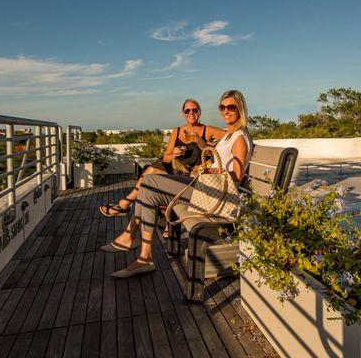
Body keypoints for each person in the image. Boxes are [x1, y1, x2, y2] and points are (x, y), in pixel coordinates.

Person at [104, 90, 254, 277]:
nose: (225, 111)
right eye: (222, 107)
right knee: (148, 187)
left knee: (150, 181)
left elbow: (237, 176)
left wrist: (211, 170)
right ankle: (144, 256)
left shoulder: (240, 137)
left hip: (215, 194)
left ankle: (135, 244)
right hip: (205, 187)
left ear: (240, 108)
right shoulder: (229, 135)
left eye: (230, 107)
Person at [99, 98, 224, 219]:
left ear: (199, 112)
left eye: (194, 110)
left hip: (189, 175)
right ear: (183, 113)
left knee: (151, 176)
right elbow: (166, 157)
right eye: (187, 111)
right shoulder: (177, 130)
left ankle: (124, 204)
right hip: (175, 168)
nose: (191, 113)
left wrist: (199, 140)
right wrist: (174, 154)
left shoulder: (207, 130)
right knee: (151, 172)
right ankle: (127, 205)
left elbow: (232, 135)